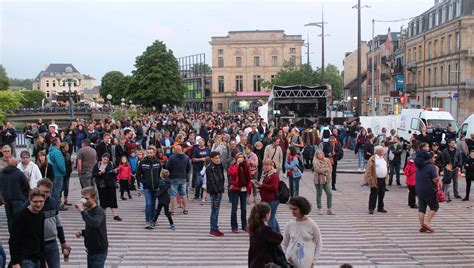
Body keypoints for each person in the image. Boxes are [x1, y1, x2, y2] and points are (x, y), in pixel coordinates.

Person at [37, 179, 71, 268]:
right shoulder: (31, 204)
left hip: (52, 242)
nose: (45, 194)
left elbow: (58, 223)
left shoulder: (52, 202)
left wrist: (63, 241)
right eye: (42, 191)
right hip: (37, 245)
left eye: (47, 192)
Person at [9, 188, 46, 268]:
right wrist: (15, 262)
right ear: (30, 201)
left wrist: (43, 260)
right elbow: (13, 240)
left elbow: (41, 237)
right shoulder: (21, 216)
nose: (38, 204)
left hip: (37, 258)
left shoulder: (41, 215)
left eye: (41, 201)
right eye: (35, 202)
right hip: (25, 259)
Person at [282, 196, 322, 268]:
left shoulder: (312, 224)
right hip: (291, 263)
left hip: (307, 263)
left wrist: (313, 262)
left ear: (302, 209)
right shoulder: (289, 225)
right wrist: (285, 257)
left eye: (295, 209)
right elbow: (284, 244)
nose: (292, 211)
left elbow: (319, 244)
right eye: (291, 208)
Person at [75, 187, 108, 267]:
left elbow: (95, 223)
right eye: (82, 198)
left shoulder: (99, 211)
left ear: (94, 198)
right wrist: (83, 232)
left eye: (86, 198)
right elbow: (92, 227)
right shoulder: (89, 211)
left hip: (99, 251)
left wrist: (82, 211)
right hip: (90, 251)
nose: (84, 200)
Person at [247, 202, 284, 268]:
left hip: (253, 261)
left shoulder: (253, 226)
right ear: (267, 214)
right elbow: (279, 238)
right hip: (264, 263)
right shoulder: (264, 229)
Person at [0, 158, 30, 234]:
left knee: (10, 218)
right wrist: (24, 194)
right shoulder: (19, 173)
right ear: (16, 165)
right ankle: (18, 234)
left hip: (6, 199)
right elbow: (26, 186)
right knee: (18, 218)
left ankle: (12, 234)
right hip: (18, 199)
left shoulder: (2, 173)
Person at [136, 146, 162, 229]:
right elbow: (138, 175)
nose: (149, 154)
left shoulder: (158, 162)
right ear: (146, 153)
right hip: (147, 186)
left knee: (154, 204)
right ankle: (147, 220)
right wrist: (144, 181)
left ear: (154, 153)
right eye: (148, 153)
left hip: (156, 186)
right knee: (148, 203)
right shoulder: (142, 162)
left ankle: (153, 219)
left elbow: (160, 174)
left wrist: (159, 181)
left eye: (151, 152)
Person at [92, 153, 122, 221]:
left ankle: (115, 215)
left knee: (113, 200)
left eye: (107, 159)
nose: (105, 160)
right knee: (103, 200)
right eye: (104, 159)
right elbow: (93, 174)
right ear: (101, 158)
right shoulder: (97, 164)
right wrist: (99, 173)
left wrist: (115, 171)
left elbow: (117, 172)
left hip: (111, 184)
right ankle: (103, 215)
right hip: (101, 185)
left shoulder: (111, 164)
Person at [415, 151, 439, 233]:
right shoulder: (431, 167)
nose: (435, 159)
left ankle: (422, 225)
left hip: (419, 189)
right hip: (429, 190)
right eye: (433, 157)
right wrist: (437, 172)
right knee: (434, 207)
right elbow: (435, 179)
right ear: (430, 158)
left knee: (422, 208)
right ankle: (426, 223)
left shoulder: (419, 166)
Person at [228, 152, 252, 233]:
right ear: (236, 158)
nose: (241, 158)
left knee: (244, 208)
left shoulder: (246, 165)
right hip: (235, 187)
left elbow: (249, 176)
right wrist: (237, 164)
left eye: (242, 157)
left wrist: (249, 187)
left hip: (244, 188)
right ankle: (234, 226)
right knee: (234, 208)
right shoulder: (233, 165)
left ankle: (244, 225)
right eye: (239, 157)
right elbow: (232, 174)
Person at [255, 159, 280, 232]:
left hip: (272, 199)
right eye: (264, 165)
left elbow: (274, 188)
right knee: (272, 217)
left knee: (270, 218)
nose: (266, 167)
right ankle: (277, 233)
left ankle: (273, 235)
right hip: (266, 198)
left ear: (272, 166)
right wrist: (259, 186)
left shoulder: (274, 175)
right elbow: (265, 185)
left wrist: (262, 185)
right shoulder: (265, 174)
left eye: (268, 165)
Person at [166, 144, 191, 214]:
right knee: (183, 194)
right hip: (183, 178)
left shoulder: (171, 158)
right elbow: (188, 169)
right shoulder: (186, 157)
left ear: (176, 150)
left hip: (173, 178)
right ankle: (185, 209)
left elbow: (168, 168)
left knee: (173, 195)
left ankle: (172, 210)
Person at [206, 151, 225, 236]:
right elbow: (211, 181)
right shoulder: (209, 168)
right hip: (215, 192)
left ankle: (215, 227)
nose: (218, 160)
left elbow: (221, 178)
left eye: (219, 158)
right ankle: (213, 229)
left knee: (216, 210)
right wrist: (216, 191)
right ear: (212, 159)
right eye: (216, 158)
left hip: (219, 190)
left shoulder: (219, 166)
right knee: (214, 210)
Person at [365, 146, 388, 214]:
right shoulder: (373, 159)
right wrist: (370, 179)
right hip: (375, 179)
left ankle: (380, 207)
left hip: (383, 178)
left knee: (382, 193)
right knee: (374, 193)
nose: (382, 151)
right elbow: (369, 170)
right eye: (381, 150)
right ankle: (371, 208)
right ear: (377, 151)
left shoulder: (384, 158)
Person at [313, 149, 334, 215]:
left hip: (326, 179)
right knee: (319, 194)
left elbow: (330, 168)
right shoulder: (315, 161)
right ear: (316, 155)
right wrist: (326, 169)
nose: (320, 155)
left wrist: (327, 172)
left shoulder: (327, 160)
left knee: (329, 193)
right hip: (319, 180)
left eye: (321, 153)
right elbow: (317, 170)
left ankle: (329, 209)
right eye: (318, 154)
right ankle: (319, 208)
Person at [60, 142, 72, 209]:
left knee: (66, 187)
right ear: (63, 148)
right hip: (62, 173)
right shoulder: (60, 154)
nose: (68, 148)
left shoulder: (68, 154)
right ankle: (60, 201)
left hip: (67, 173)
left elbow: (69, 163)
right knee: (61, 188)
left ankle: (65, 200)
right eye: (67, 147)